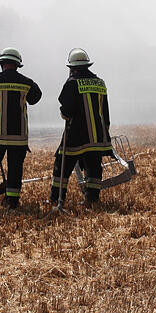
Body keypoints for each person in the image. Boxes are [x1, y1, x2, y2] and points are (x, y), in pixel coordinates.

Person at [0, 47, 42, 208]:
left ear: (1, 63)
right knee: (15, 169)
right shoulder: (27, 83)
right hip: (18, 138)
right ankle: (12, 201)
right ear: (18, 65)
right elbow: (36, 98)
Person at [50, 48, 113, 206]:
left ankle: (57, 198)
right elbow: (105, 110)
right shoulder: (100, 82)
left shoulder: (72, 83)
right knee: (94, 168)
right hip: (98, 135)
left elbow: (66, 111)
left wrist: (65, 115)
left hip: (77, 135)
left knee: (61, 166)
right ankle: (92, 199)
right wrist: (105, 130)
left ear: (71, 67)